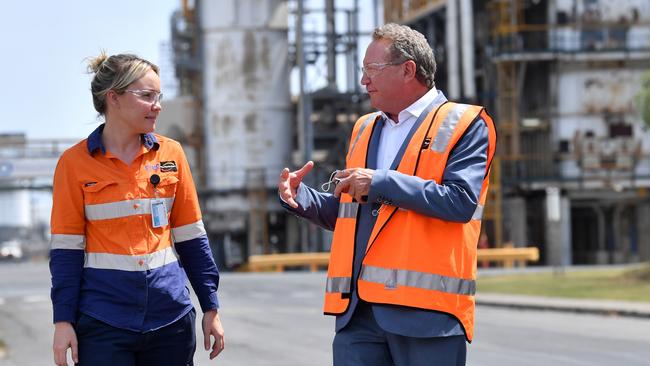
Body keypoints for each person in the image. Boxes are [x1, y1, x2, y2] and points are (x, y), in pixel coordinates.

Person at [278, 23, 496, 366]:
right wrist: (302, 198)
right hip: (358, 316)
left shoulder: (464, 124)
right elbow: (354, 215)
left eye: (371, 70)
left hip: (426, 317)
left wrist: (381, 181)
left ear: (408, 69)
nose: (364, 81)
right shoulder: (365, 128)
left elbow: (460, 202)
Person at [49, 52, 224, 366]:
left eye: (159, 96)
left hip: (170, 318)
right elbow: (66, 252)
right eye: (146, 96)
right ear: (113, 98)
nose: (157, 105)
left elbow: (192, 238)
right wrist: (63, 321)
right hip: (104, 322)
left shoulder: (172, 154)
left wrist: (211, 308)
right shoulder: (73, 165)